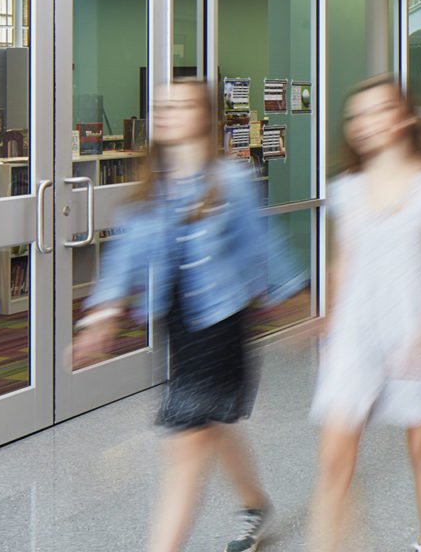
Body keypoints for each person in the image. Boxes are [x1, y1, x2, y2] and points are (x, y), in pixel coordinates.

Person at [73, 80, 305, 552]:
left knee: (186, 451)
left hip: (220, 331)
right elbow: (126, 258)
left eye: (181, 105)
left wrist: (296, 305)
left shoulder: (231, 181)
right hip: (178, 330)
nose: (167, 112)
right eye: (163, 106)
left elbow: (265, 246)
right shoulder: (153, 187)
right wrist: (100, 318)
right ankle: (255, 505)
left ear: (204, 117)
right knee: (210, 427)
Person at [308, 76, 421, 552]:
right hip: (356, 335)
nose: (365, 123)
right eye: (357, 115)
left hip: (414, 332)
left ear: (403, 118)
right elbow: (344, 262)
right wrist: (328, 322)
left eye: (379, 111)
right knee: (334, 459)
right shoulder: (347, 189)